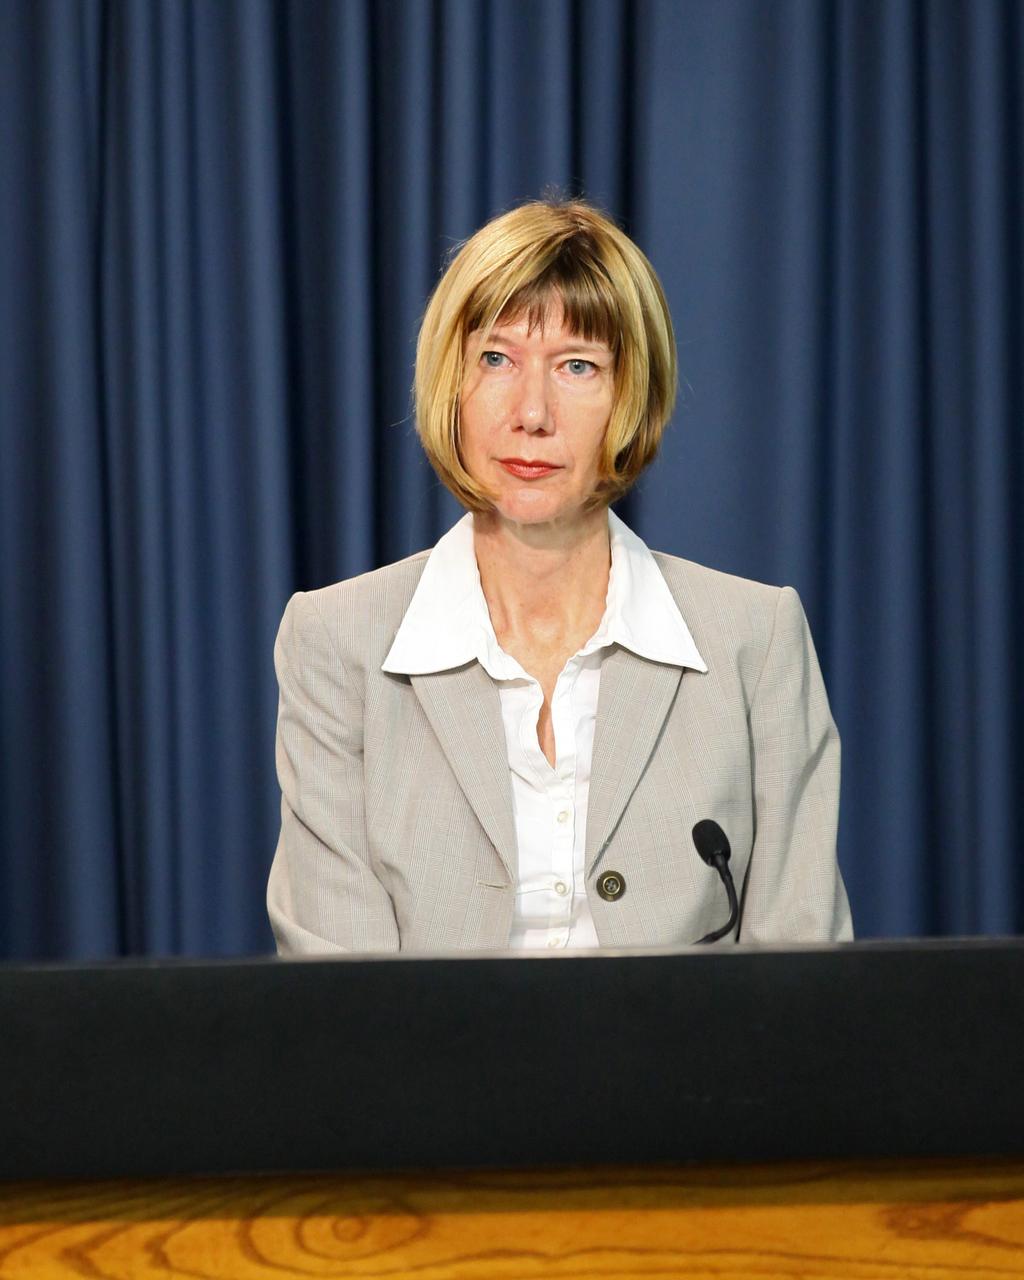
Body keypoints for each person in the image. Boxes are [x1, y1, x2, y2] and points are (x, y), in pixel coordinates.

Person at [267, 199, 852, 954]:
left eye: (577, 365)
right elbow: (338, 1002)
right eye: (496, 359)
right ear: (451, 379)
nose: (531, 413)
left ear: (631, 393)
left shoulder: (755, 640)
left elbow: (803, 985)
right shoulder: (334, 642)